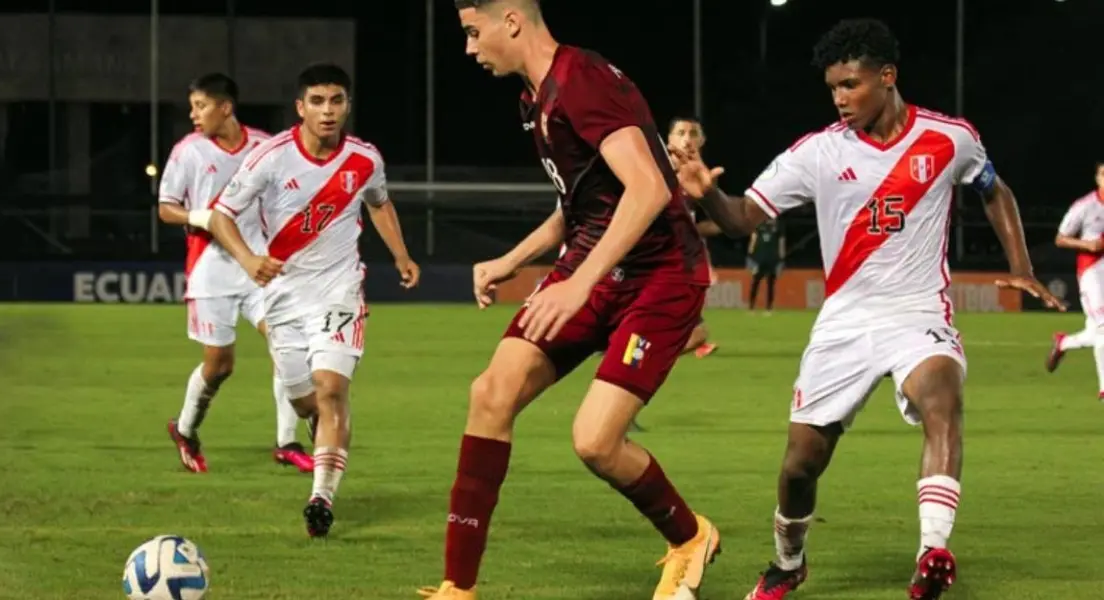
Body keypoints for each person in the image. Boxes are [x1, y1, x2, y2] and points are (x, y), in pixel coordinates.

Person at [674, 19, 1064, 600]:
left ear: (888, 77)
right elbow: (740, 221)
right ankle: (789, 561)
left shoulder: (950, 138)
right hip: (846, 319)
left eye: (850, 85)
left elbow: (994, 189)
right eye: (832, 87)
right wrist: (704, 190)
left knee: (942, 398)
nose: (839, 98)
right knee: (801, 465)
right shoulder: (817, 152)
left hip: (918, 311)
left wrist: (1023, 265)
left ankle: (932, 553)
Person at [421, 2, 721, 599]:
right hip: (595, 266)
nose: (469, 48)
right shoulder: (537, 97)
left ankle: (690, 537)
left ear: (511, 20)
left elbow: (648, 189)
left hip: (661, 275)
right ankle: (458, 589)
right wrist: (512, 261)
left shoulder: (580, 80)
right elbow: (579, 204)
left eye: (472, 32)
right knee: (491, 393)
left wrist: (579, 283)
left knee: (595, 442)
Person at [206, 64, 421, 538]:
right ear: (300, 108)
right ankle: (317, 431)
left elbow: (380, 203)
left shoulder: (365, 158)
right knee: (306, 403)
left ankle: (321, 497)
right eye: (318, 102)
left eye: (337, 101)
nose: (328, 111)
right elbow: (221, 216)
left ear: (347, 105)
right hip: (282, 297)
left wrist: (401, 255)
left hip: (339, 290)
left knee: (332, 390)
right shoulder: (271, 157)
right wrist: (248, 260)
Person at [156, 73, 314, 475]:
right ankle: (185, 429)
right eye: (192, 107)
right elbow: (165, 207)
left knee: (287, 345)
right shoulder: (188, 152)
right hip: (211, 269)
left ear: (225, 107)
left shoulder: (263, 147)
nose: (194, 115)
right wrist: (201, 216)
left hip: (259, 267)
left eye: (201, 106)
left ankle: (286, 441)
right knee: (220, 365)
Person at [1045, 161, 1104, 395]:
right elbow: (1060, 238)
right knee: (1103, 328)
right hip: (1092, 272)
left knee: (1098, 331)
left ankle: (1064, 342)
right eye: (1103, 174)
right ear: (1097, 178)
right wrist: (1087, 244)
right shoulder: (1085, 206)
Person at [668, 115, 720, 358]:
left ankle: (633, 357)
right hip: (648, 262)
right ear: (669, 139)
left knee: (697, 332)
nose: (687, 139)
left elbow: (703, 224)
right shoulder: (655, 170)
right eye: (680, 133)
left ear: (703, 141)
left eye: (693, 134)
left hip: (676, 263)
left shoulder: (699, 177)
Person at [747, 218, 785, 314]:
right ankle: (751, 307)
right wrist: (750, 256)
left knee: (770, 284)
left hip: (772, 260)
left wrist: (781, 259)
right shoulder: (759, 227)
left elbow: (781, 243)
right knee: (755, 283)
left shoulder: (778, 228)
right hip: (759, 260)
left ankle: (769, 308)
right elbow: (753, 240)